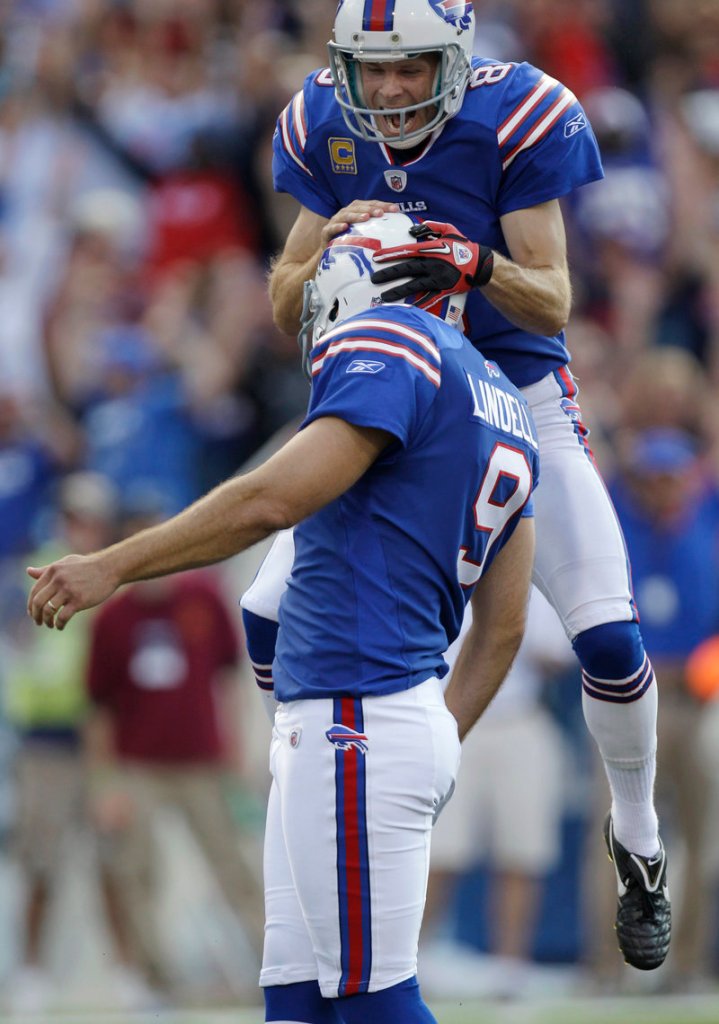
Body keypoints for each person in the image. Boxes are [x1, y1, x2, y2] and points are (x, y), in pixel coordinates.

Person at [240, 0, 670, 973]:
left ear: (456, 61)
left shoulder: (516, 114)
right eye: (372, 70)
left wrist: (467, 260)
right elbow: (281, 301)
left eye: (410, 68)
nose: (389, 90)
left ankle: (636, 838)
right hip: (387, 387)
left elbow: (554, 295)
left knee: (604, 628)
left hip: (510, 386)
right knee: (263, 615)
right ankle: (315, 787)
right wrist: (327, 250)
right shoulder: (318, 121)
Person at [26, 212, 538, 1024]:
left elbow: (272, 500)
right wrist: (433, 739)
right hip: (379, 716)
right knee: (296, 1002)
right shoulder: (500, 397)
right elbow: (501, 625)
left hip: (356, 712)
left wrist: (113, 564)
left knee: (374, 1002)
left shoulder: (391, 348)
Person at [84, 493, 266, 1001]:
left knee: (235, 867)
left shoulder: (203, 597)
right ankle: (154, 981)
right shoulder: (111, 620)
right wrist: (106, 784)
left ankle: (272, 968)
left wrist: (234, 750)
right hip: (138, 764)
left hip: (204, 761)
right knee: (137, 872)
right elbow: (98, 708)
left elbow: (230, 679)